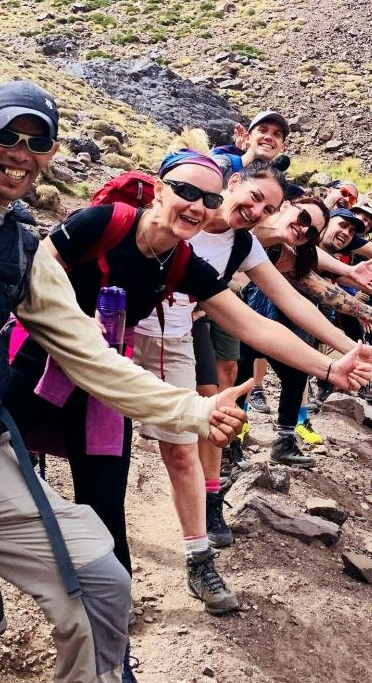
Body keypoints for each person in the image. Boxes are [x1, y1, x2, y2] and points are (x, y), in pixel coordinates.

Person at [0, 117, 372, 681]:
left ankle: (112, 656)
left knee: (106, 512)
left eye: (206, 199)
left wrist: (331, 364)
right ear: (159, 186)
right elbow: (30, 277)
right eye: (185, 190)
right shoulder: (102, 222)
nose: (196, 204)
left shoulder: (184, 263)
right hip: (32, 367)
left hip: (106, 382)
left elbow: (258, 321)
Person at [0, 81, 253, 683]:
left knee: (101, 579)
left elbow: (91, 355)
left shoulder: (25, 246)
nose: (20, 150)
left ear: (50, 154)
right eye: (7, 135)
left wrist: (194, 413)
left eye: (36, 142)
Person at [129, 157, 286, 611]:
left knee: (181, 449)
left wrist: (332, 361)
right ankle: (98, 555)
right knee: (105, 451)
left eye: (268, 208)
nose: (257, 210)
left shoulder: (242, 245)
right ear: (233, 181)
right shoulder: (176, 211)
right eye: (255, 196)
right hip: (121, 334)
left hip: (175, 337)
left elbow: (285, 298)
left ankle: (199, 560)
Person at [242, 197, 372, 467]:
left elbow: (327, 292)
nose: (305, 230)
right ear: (284, 206)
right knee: (240, 368)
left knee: (295, 374)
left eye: (312, 229)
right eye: (303, 220)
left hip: (296, 318)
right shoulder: (258, 237)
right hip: (252, 311)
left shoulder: (292, 254)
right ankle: (233, 441)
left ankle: (284, 438)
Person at [211, 110, 290, 416]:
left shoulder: (277, 189)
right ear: (246, 134)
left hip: (223, 285)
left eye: (277, 134)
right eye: (264, 130)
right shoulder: (221, 165)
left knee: (226, 369)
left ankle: (224, 445)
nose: (269, 137)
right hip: (198, 282)